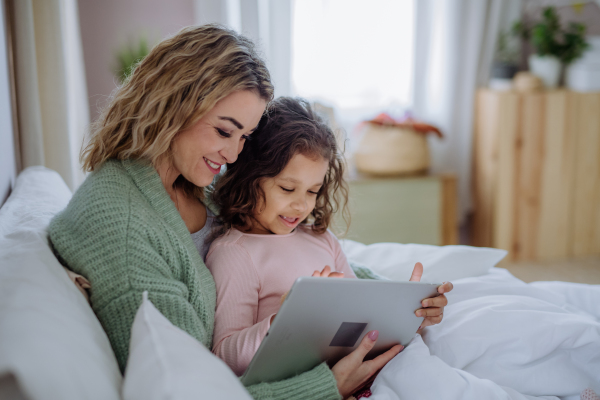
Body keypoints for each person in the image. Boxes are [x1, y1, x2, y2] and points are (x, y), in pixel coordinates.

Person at [48, 25, 450, 400]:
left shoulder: (193, 183)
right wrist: (322, 386)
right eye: (224, 131)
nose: (235, 154)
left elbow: (287, 253)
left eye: (245, 136)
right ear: (172, 105)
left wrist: (400, 300)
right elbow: (188, 387)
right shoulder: (123, 223)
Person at [206, 97, 453, 396]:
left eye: (313, 191)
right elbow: (224, 356)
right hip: (311, 388)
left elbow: (364, 324)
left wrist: (411, 314)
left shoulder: (322, 240)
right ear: (248, 177)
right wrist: (283, 317)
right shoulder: (236, 252)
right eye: (287, 188)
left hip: (367, 376)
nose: (301, 205)